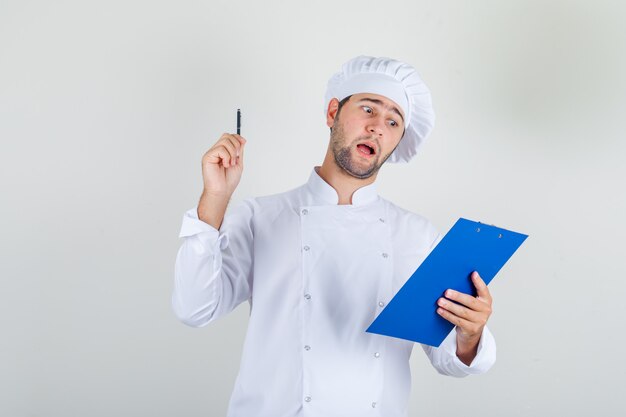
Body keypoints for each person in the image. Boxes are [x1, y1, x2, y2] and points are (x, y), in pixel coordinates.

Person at [173, 55, 496, 417]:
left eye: (393, 121)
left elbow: (448, 358)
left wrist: (471, 334)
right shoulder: (260, 218)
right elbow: (194, 308)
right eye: (369, 109)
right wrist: (215, 197)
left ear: (396, 142)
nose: (378, 127)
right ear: (332, 113)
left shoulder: (417, 236)